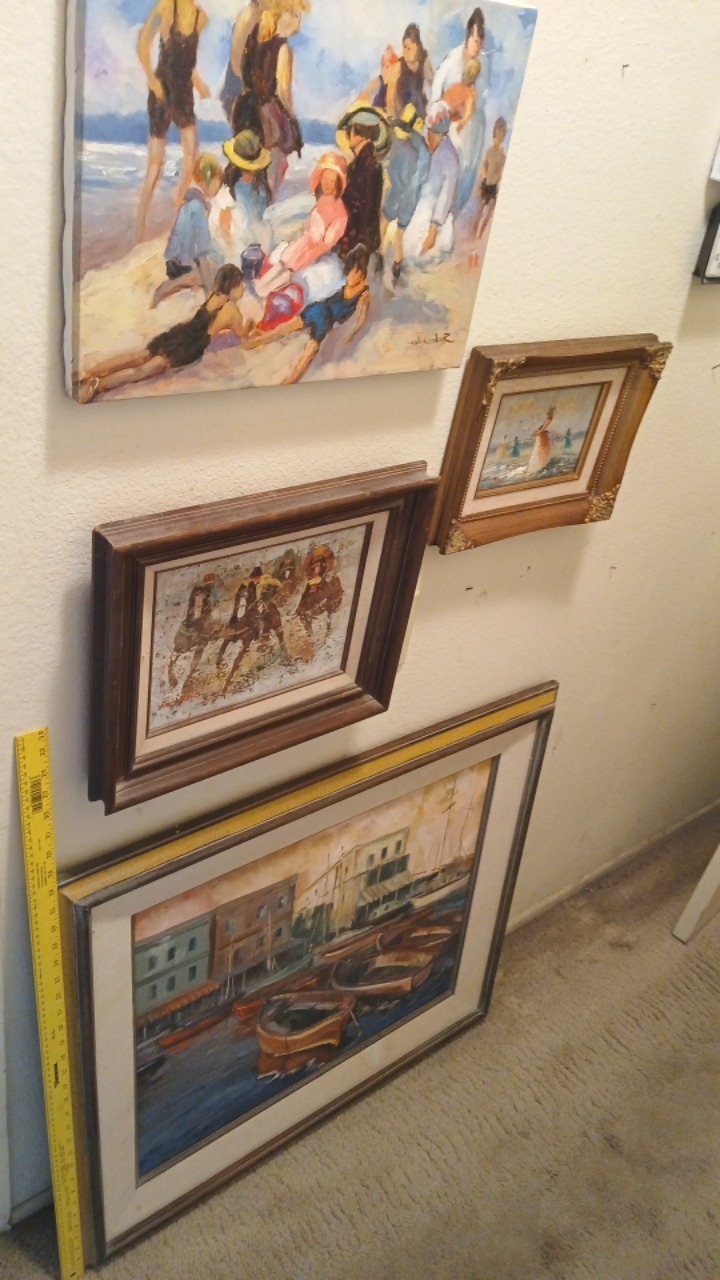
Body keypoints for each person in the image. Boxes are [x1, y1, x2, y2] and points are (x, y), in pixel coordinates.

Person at [73, 264, 249, 402]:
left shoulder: (213, 294)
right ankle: (98, 385)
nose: (243, 289)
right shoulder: (231, 309)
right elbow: (242, 335)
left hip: (179, 333)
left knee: (139, 355)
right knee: (144, 369)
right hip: (189, 346)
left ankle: (87, 373)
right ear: (232, 286)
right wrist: (251, 329)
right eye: (240, 285)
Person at [136, 0, 211, 240]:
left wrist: (199, 84)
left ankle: (178, 207)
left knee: (192, 153)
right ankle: (140, 224)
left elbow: (189, 61)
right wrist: (152, 81)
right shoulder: (167, 7)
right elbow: (142, 44)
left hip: (184, 91)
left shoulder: (201, 18)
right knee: (155, 163)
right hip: (163, 89)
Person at [244, 244, 371, 384]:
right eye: (349, 271)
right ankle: (252, 344)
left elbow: (361, 319)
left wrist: (352, 334)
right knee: (280, 331)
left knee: (308, 355)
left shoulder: (364, 293)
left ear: (362, 272)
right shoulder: (345, 283)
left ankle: (289, 382)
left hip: (325, 321)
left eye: (356, 272)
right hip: (317, 309)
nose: (351, 276)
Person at [230, 0, 309, 198]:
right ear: (283, 15)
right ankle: (264, 207)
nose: (299, 23)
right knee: (271, 174)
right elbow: (283, 92)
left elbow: (239, 69)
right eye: (296, 15)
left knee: (247, 167)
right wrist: (291, 120)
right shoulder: (283, 49)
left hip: (244, 110)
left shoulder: (252, 40)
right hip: (268, 117)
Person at [254, 153, 348, 297]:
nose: (327, 184)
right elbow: (310, 225)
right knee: (284, 260)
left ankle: (266, 291)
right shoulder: (322, 199)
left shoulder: (340, 211)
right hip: (304, 242)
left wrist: (318, 229)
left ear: (338, 184)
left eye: (332, 181)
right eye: (325, 179)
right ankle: (261, 287)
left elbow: (329, 238)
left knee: (290, 269)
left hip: (316, 250)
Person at [151, 152, 223, 307]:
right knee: (217, 273)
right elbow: (201, 255)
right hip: (181, 267)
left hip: (174, 262)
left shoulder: (193, 202)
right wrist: (210, 294)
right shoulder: (198, 208)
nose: (220, 186)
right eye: (218, 181)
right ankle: (165, 289)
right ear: (208, 181)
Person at [431, 7, 486, 210]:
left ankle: (452, 211)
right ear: (467, 37)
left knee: (465, 171)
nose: (478, 47)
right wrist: (438, 110)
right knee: (447, 169)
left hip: (469, 127)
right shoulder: (453, 60)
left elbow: (478, 100)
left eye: (480, 42)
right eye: (475, 41)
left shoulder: (480, 64)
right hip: (447, 122)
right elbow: (438, 85)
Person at [403, 100, 460, 262]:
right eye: (428, 131)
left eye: (433, 133)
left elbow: (445, 196)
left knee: (419, 253)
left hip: (432, 215)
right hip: (416, 204)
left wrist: (433, 230)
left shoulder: (450, 158)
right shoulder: (423, 146)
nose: (429, 136)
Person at [209, 129, 273, 267]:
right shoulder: (228, 193)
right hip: (232, 245)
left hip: (252, 243)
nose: (250, 174)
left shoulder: (260, 190)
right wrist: (236, 252)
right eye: (247, 169)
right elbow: (225, 231)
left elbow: (259, 218)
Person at [336, 103, 390, 264]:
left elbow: (368, 208)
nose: (348, 136)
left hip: (359, 243)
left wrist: (360, 244)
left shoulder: (368, 167)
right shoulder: (360, 164)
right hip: (356, 240)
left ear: (363, 134)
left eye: (351, 131)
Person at [382, 103, 430, 282]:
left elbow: (389, 165)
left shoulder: (398, 141)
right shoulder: (422, 148)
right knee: (399, 231)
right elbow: (421, 176)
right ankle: (396, 264)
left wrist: (392, 180)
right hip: (409, 195)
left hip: (397, 190)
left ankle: (380, 257)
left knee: (385, 221)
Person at [386, 23, 434, 120]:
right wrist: (392, 117)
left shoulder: (424, 63)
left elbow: (433, 87)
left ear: (418, 48)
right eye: (404, 47)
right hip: (401, 117)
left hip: (421, 116)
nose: (406, 51)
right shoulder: (398, 66)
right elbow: (390, 96)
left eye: (409, 48)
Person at [473, 116, 507, 240]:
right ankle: (474, 234)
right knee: (479, 211)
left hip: (493, 187)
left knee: (487, 214)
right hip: (486, 184)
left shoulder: (503, 156)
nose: (499, 138)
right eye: (497, 134)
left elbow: (501, 172)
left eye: (502, 134)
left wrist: (496, 180)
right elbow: (484, 166)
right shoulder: (489, 152)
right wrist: (483, 178)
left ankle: (479, 236)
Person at [441, 56, 481, 132]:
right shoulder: (469, 92)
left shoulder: (456, 87)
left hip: (449, 124)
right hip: (451, 124)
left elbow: (467, 114)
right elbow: (468, 114)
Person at [361, 46, 399, 111]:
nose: (383, 69)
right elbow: (364, 95)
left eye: (387, 66)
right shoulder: (378, 80)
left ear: (394, 67)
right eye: (382, 65)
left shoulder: (397, 84)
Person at [526, 407, 555, 475]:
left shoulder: (549, 420)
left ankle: (538, 466)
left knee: (540, 450)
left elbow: (543, 429)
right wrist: (537, 432)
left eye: (548, 413)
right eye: (548, 413)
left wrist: (537, 433)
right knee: (540, 450)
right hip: (542, 436)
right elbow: (542, 428)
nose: (547, 414)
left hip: (543, 437)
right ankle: (538, 466)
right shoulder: (548, 419)